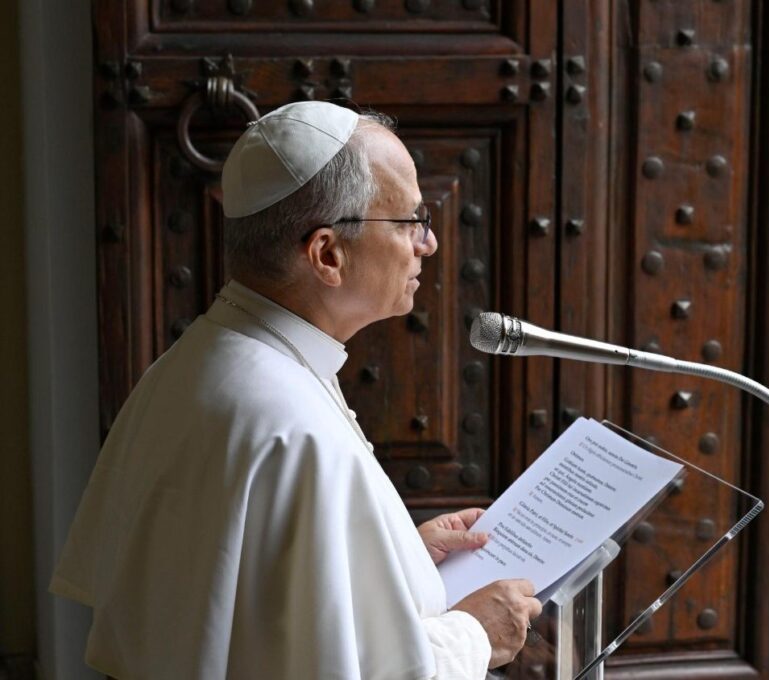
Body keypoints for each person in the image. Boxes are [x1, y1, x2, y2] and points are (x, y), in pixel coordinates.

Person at [50, 101, 542, 679]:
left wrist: (400, 557)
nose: (426, 243)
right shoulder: (291, 423)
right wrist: (472, 634)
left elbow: (258, 607)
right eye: (411, 220)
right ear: (328, 254)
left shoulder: (200, 360)